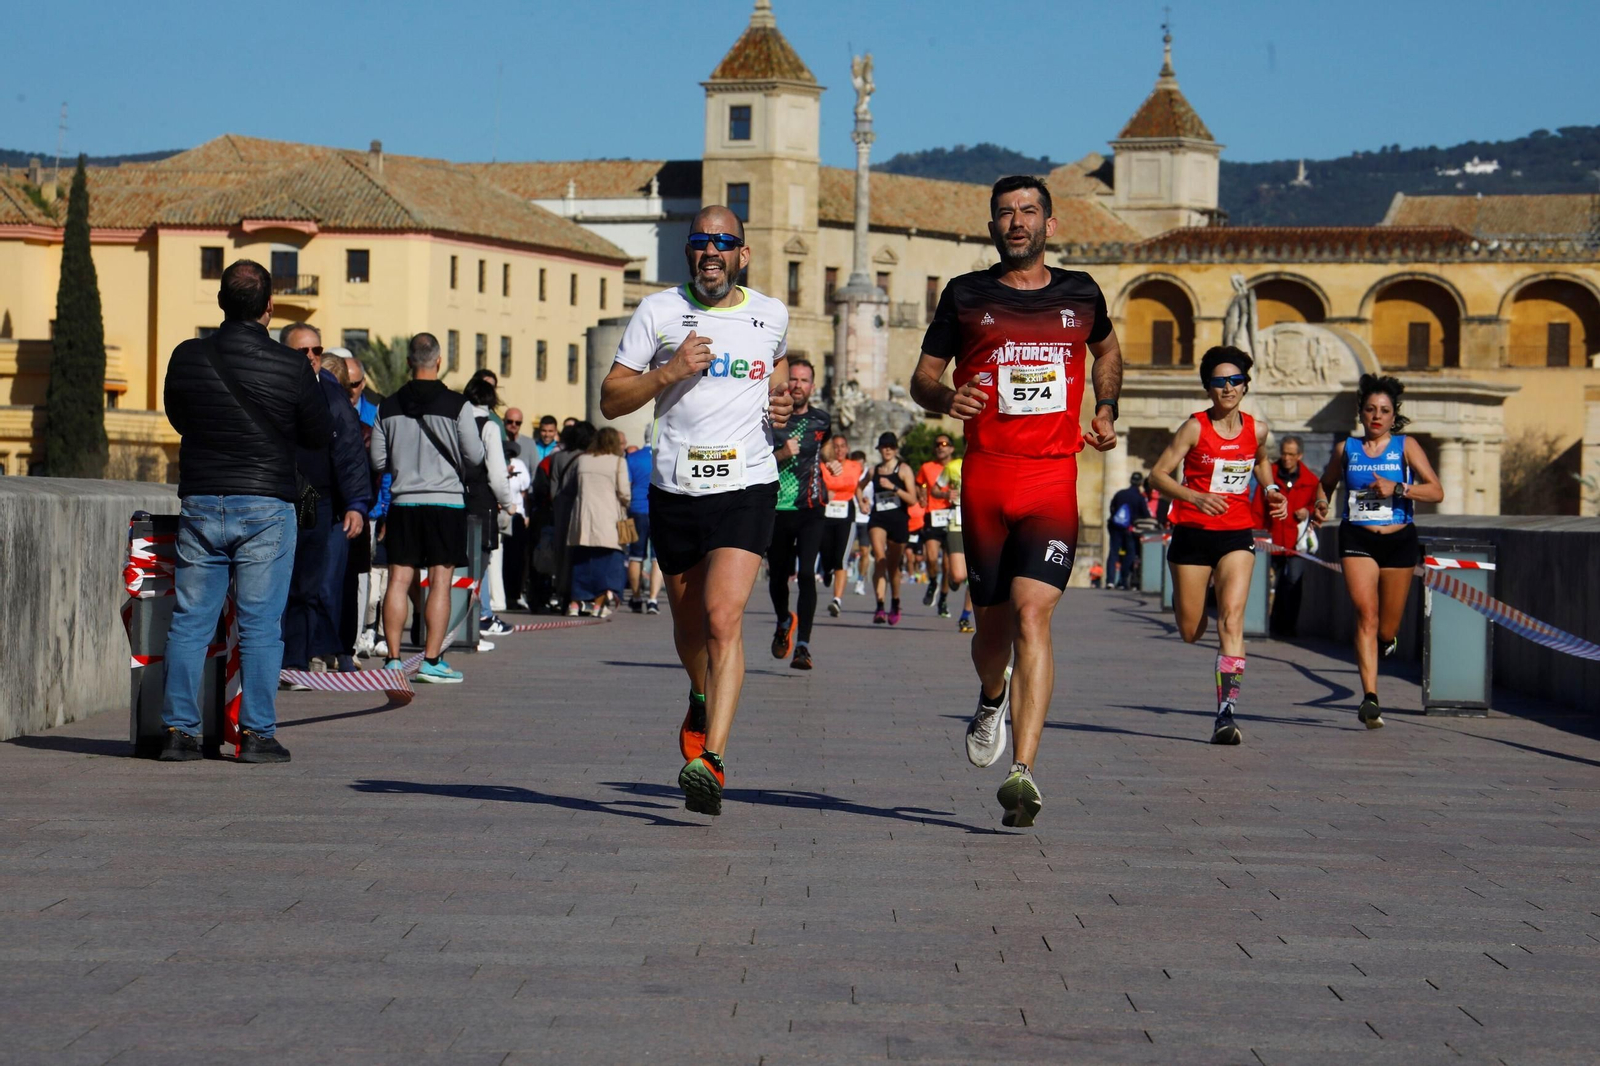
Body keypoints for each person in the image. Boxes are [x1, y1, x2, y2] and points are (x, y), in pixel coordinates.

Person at [909, 175, 1123, 828]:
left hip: (1053, 478)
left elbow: (1108, 350)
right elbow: (922, 378)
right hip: (987, 481)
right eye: (1006, 212)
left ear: (1050, 224)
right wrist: (946, 400)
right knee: (992, 632)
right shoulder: (966, 296)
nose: (1018, 221)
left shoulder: (1081, 293)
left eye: (1029, 210)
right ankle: (991, 695)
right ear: (993, 227)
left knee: (1035, 617)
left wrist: (1107, 407)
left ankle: (1023, 772)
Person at [600, 204, 794, 817]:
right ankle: (701, 694)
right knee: (688, 629)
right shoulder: (657, 311)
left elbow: (777, 374)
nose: (712, 251)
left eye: (724, 242)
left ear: (744, 252)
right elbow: (611, 399)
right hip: (676, 487)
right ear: (689, 251)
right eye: (701, 241)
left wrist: (781, 406)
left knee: (722, 618)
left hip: (748, 484)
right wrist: (670, 370)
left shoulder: (770, 314)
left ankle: (711, 759)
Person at [158, 260, 331, 763]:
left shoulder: (187, 357)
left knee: (191, 620)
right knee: (259, 624)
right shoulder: (291, 366)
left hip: (202, 499)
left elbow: (178, 417)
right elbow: (319, 435)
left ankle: (179, 731)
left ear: (220, 303)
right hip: (265, 505)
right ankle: (256, 735)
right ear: (270, 308)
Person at [1148, 346, 1287, 745]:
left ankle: (1226, 713)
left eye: (1234, 380)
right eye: (1219, 382)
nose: (1227, 388)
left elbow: (1260, 461)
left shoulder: (1256, 429)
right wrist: (1195, 497)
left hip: (1236, 534)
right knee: (1191, 631)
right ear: (1208, 388)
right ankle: (1192, 602)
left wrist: (1273, 488)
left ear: (1245, 385)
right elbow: (1158, 475)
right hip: (1191, 533)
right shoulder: (1194, 427)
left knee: (1232, 619)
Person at [1316, 374, 1444, 728]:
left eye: (1384, 411)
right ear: (1360, 413)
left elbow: (1436, 491)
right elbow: (1325, 484)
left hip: (1399, 541)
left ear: (1393, 416)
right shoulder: (1346, 449)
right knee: (1366, 614)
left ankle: (1388, 639)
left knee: (1386, 625)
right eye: (1370, 409)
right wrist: (1317, 504)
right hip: (1357, 538)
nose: (1376, 416)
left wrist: (1399, 488)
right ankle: (1370, 697)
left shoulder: (1405, 446)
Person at [369, 333, 486, 683]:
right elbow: (476, 456)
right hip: (446, 503)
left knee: (399, 579)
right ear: (438, 361)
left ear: (408, 362)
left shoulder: (386, 406)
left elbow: (377, 460)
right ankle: (431, 661)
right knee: (440, 580)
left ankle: (392, 659)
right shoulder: (458, 405)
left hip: (404, 503)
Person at [279, 324, 371, 682]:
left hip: (317, 501)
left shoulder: (332, 397)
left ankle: (296, 662)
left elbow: (350, 454)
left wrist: (356, 505)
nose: (312, 358)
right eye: (302, 352)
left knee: (308, 584)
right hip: (274, 497)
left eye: (316, 350)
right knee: (273, 584)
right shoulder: (269, 390)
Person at [765, 357, 831, 669]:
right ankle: (783, 620)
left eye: (804, 381)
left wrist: (832, 462)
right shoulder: (770, 419)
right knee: (778, 577)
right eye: (793, 379)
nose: (798, 385)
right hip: (777, 509)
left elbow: (824, 448)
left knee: (806, 574)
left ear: (812, 387)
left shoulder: (822, 420)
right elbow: (754, 461)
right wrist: (781, 453)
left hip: (811, 508)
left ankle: (803, 645)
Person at [461, 376, 516, 642]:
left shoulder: (455, 420)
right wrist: (508, 502)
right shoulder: (489, 427)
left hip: (454, 496)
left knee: (457, 564)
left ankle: (462, 620)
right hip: (481, 500)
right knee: (479, 563)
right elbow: (496, 473)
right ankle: (478, 620)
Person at [1255, 435, 1321, 637]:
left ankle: (1288, 626)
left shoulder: (1310, 480)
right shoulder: (1269, 476)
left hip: (1296, 542)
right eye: (1283, 453)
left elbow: (1317, 505)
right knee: (1266, 584)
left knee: (1293, 582)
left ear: (1299, 455)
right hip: (1271, 540)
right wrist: (1257, 535)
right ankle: (1265, 624)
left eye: (1291, 454)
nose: (1286, 458)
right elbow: (1257, 508)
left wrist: (1307, 511)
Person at [567, 426, 632, 617]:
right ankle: (598, 605)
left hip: (583, 519)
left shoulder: (582, 460)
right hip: (608, 521)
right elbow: (625, 494)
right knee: (607, 566)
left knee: (581, 564)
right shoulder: (618, 462)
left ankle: (575, 603)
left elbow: (573, 489)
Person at [866, 432, 917, 625]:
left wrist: (893, 488)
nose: (887, 449)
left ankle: (895, 602)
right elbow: (859, 486)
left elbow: (912, 499)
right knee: (880, 558)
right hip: (878, 519)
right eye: (884, 446)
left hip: (898, 521)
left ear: (896, 449)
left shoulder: (903, 470)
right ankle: (879, 606)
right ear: (879, 449)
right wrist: (862, 500)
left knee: (893, 568)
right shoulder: (873, 471)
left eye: (891, 446)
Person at [819, 434, 863, 617]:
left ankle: (837, 600)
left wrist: (862, 503)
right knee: (826, 552)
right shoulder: (823, 466)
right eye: (835, 447)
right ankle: (826, 569)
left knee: (841, 558)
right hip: (826, 512)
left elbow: (857, 487)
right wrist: (824, 492)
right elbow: (818, 484)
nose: (838, 450)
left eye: (842, 446)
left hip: (846, 513)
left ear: (847, 448)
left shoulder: (855, 466)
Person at [917, 433, 957, 616]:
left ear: (952, 448)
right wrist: (921, 495)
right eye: (937, 444)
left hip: (953, 517)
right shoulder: (927, 467)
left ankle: (943, 599)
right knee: (931, 557)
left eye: (945, 444)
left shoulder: (958, 466)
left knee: (948, 565)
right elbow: (920, 485)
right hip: (932, 515)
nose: (941, 447)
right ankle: (932, 582)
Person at [624, 437, 662, 614]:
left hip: (636, 508)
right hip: (660, 510)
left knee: (635, 555)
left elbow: (626, 485)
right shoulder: (663, 454)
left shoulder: (632, 458)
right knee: (658, 557)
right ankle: (653, 599)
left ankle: (637, 596)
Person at [940, 454, 975, 633]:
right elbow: (935, 489)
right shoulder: (953, 466)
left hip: (979, 523)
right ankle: (951, 578)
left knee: (974, 574)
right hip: (956, 522)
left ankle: (965, 616)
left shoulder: (990, 464)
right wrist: (945, 493)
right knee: (959, 576)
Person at [1105, 472, 1148, 590]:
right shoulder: (1139, 498)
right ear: (1140, 483)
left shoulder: (1120, 494)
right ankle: (1123, 581)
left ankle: (1110, 581)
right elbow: (1145, 515)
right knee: (1130, 554)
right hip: (1130, 529)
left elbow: (1112, 508)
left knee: (1113, 552)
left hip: (1115, 527)